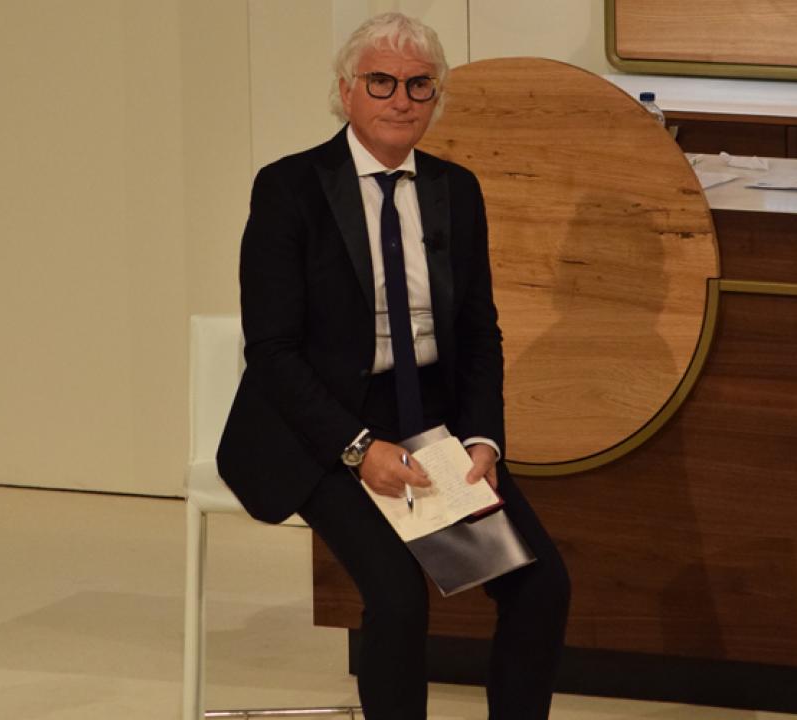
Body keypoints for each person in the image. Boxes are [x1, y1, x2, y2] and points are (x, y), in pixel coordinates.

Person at [217, 12, 570, 720]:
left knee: (540, 584)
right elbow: (272, 352)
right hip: (321, 426)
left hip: (427, 423)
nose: (401, 100)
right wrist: (357, 448)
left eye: (418, 85)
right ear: (346, 89)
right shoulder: (289, 188)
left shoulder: (455, 189)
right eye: (381, 82)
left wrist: (483, 439)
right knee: (398, 596)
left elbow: (478, 332)